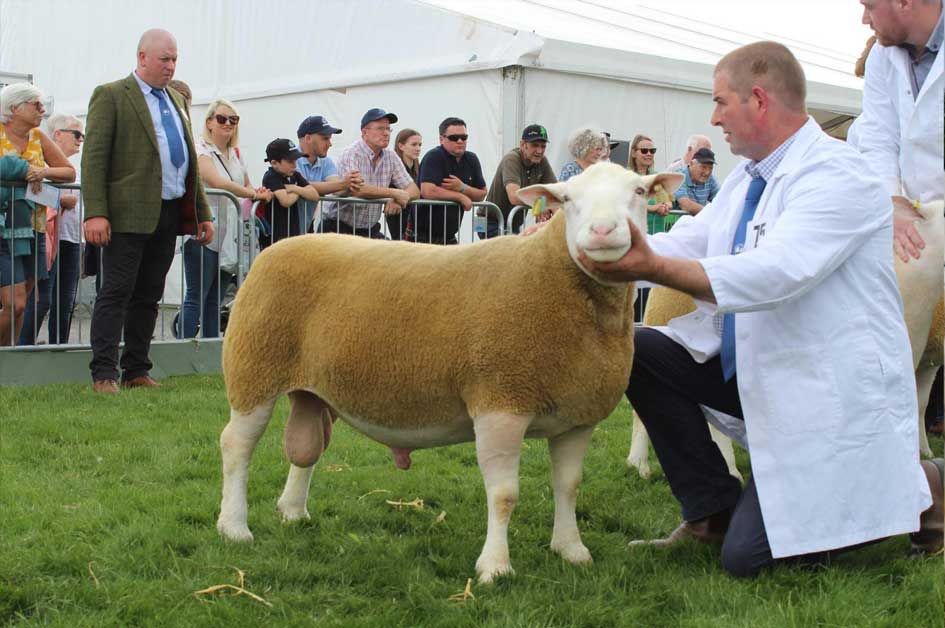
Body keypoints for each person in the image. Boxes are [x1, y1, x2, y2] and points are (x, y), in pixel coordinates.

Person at [578, 41, 941, 577]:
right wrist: (591, 247)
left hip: (826, 397)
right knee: (641, 348)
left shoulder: (841, 174)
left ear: (759, 100)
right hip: (762, 370)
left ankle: (925, 486)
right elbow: (694, 239)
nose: (714, 117)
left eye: (721, 102)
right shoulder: (749, 176)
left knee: (748, 562)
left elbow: (780, 271)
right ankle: (711, 512)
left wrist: (649, 269)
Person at [82, 29, 214, 393]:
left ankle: (137, 369)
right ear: (142, 57)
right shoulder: (110, 95)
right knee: (115, 292)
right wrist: (95, 212)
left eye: (174, 60)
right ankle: (104, 373)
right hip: (125, 215)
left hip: (169, 212)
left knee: (150, 295)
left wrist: (202, 212)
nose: (170, 67)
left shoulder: (176, 99)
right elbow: (93, 160)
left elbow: (189, 163)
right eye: (164, 59)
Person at [857, 0, 943, 262]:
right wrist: (891, 202)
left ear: (903, 2)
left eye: (869, 6)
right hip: (926, 233)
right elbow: (877, 138)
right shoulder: (881, 57)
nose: (864, 19)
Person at [179, 98, 271, 339]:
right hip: (205, 232)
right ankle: (182, 349)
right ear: (209, 122)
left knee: (216, 299)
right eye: (222, 119)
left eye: (234, 119)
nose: (228, 123)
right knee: (197, 296)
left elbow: (247, 183)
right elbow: (217, 182)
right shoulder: (200, 149)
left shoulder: (236, 153)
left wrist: (257, 191)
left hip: (231, 237)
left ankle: (210, 350)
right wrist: (251, 193)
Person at [0, 83, 76, 346]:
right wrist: (22, 171)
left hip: (35, 226)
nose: (43, 110)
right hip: (4, 229)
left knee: (24, 300)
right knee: (15, 302)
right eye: (36, 105)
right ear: (14, 108)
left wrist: (43, 172)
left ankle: (10, 359)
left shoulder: (38, 137)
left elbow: (69, 173)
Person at [18, 113, 84, 345]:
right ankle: (23, 347)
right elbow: (29, 190)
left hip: (71, 238)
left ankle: (59, 349)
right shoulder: (40, 160)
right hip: (46, 238)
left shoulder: (73, 166)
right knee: (41, 299)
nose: (80, 139)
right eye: (77, 134)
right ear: (58, 134)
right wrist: (59, 199)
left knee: (65, 301)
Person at [317, 108, 419, 239]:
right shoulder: (352, 152)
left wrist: (397, 200)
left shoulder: (390, 155)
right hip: (338, 228)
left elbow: (414, 189)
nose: (386, 133)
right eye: (381, 129)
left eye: (388, 129)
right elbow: (357, 189)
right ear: (365, 132)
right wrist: (394, 193)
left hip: (369, 230)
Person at [414, 117, 487, 245]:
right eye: (454, 138)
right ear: (442, 139)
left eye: (464, 137)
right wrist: (460, 197)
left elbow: (482, 194)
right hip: (421, 235)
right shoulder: (433, 157)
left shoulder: (471, 159)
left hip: (449, 236)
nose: (460, 141)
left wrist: (462, 187)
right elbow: (428, 191)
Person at [483, 124, 557, 236]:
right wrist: (540, 205)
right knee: (508, 253)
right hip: (491, 222)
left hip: (511, 223)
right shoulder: (511, 159)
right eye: (535, 145)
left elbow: (554, 192)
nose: (540, 151)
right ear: (523, 145)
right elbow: (514, 196)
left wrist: (551, 213)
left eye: (543, 146)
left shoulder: (542, 161)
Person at [295, 116, 363, 233]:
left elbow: (336, 187)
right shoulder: (290, 160)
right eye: (325, 138)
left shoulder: (325, 162)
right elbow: (304, 186)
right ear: (308, 138)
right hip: (283, 226)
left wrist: (351, 184)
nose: (330, 144)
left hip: (305, 225)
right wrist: (344, 184)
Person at [259, 138, 318, 249]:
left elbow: (315, 195)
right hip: (276, 236)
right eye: (290, 161)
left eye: (296, 160)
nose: (295, 165)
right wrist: (300, 191)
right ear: (274, 163)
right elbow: (286, 201)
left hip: (293, 233)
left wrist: (294, 188)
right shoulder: (271, 177)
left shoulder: (295, 175)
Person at [628, 134, 675, 234]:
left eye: (652, 151)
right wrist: (654, 208)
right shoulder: (626, 176)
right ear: (633, 153)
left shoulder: (658, 176)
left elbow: (669, 201)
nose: (649, 154)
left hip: (656, 233)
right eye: (644, 150)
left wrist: (665, 206)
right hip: (634, 235)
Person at [391, 128, 422, 240]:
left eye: (419, 145)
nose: (418, 148)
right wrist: (397, 199)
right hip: (398, 217)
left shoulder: (418, 168)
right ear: (401, 146)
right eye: (414, 145)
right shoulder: (394, 168)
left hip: (415, 219)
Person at [673, 147, 720, 215]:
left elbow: (721, 199)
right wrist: (711, 214)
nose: (707, 172)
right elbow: (686, 205)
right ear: (692, 163)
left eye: (710, 168)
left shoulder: (710, 179)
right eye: (703, 167)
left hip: (697, 222)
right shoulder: (678, 177)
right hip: (676, 223)